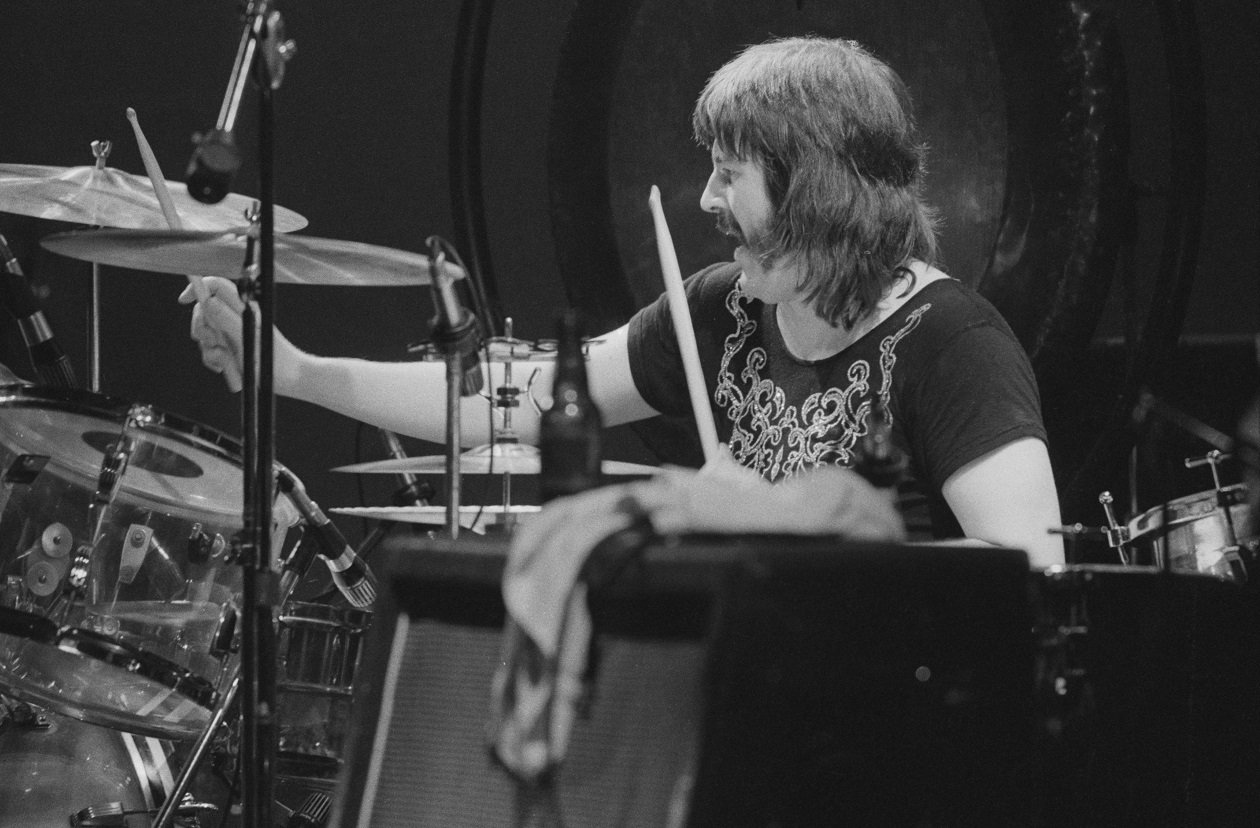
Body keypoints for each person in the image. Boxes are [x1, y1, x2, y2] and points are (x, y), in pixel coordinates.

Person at [183, 36, 1064, 568]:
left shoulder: (954, 345)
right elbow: (507, 405)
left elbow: (1034, 569)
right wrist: (291, 371)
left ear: (816, 193)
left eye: (730, 174)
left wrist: (816, 557)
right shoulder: (723, 315)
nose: (708, 201)